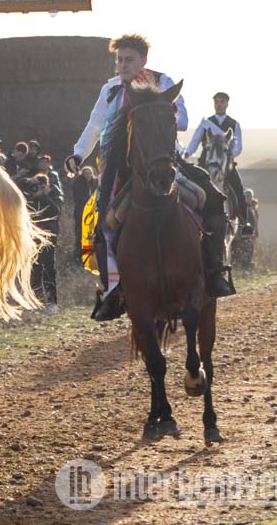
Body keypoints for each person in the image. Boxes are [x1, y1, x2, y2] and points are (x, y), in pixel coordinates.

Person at [64, 34, 232, 323]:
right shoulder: (110, 89)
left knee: (212, 198)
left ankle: (214, 271)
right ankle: (114, 290)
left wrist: (155, 103)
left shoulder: (161, 81)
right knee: (101, 225)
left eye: (129, 59)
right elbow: (94, 126)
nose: (122, 65)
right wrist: (78, 155)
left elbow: (182, 121)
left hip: (162, 161)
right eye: (119, 59)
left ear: (143, 60)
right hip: (119, 167)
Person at [184, 91, 249, 232]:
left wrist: (231, 152)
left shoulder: (234, 124)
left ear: (227, 104)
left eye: (222, 102)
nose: (219, 105)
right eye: (217, 102)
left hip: (225, 164)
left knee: (238, 189)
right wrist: (187, 153)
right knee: (189, 186)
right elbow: (195, 141)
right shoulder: (206, 123)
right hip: (205, 164)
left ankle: (244, 224)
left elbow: (238, 146)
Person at [28, 173, 63, 313]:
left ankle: (51, 301)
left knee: (48, 268)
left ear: (47, 185)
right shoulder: (31, 195)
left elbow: (56, 211)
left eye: (42, 185)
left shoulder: (55, 194)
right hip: (34, 235)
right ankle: (37, 301)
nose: (39, 188)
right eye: (36, 185)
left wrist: (43, 195)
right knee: (34, 268)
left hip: (49, 235)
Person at [70, 166, 97, 263]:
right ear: (82, 174)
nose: (88, 175)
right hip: (81, 212)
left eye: (89, 173)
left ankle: (89, 255)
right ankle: (78, 255)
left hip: (92, 213)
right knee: (80, 233)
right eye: (86, 173)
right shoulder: (78, 183)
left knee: (91, 234)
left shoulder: (94, 183)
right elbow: (78, 198)